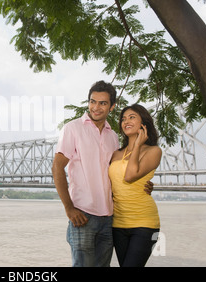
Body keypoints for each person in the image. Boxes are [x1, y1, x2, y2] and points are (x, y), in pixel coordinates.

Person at [53, 81, 125, 267]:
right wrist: (69, 208)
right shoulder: (73, 128)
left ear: (112, 106)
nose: (96, 107)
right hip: (83, 215)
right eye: (93, 101)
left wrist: (142, 186)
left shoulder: (113, 136)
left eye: (103, 103)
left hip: (109, 217)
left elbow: (117, 174)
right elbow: (57, 167)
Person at [109, 103, 161, 267]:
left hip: (144, 223)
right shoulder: (115, 153)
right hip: (118, 223)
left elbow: (130, 176)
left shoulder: (153, 151)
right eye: (123, 119)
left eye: (132, 117)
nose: (126, 121)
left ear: (143, 123)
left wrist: (137, 144)